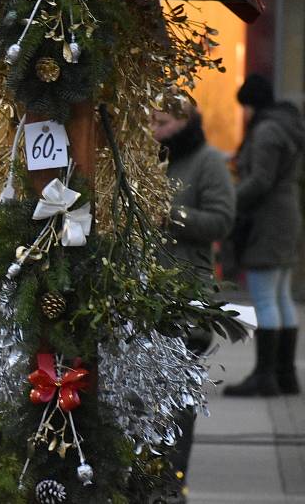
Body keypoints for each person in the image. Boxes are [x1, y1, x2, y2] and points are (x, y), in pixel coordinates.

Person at [151, 106, 236, 501]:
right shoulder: (150, 160)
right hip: (148, 295)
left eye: (163, 123)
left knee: (178, 395)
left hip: (187, 297)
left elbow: (221, 220)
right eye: (150, 122)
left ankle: (171, 480)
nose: (155, 131)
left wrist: (171, 215)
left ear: (186, 123)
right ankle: (146, 476)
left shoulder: (207, 163)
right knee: (146, 392)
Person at [224, 73, 305, 397]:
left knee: (263, 297)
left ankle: (264, 376)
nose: (242, 114)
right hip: (286, 216)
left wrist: (227, 201)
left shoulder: (267, 130)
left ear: (251, 103)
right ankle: (284, 375)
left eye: (243, 106)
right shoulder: (286, 124)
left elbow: (260, 180)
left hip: (268, 221)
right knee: (281, 295)